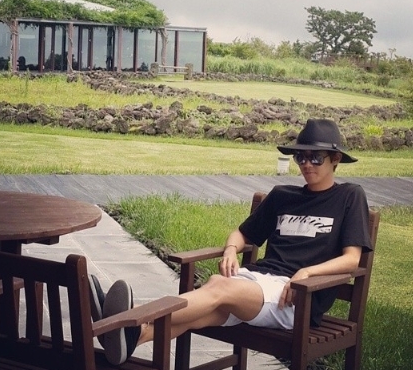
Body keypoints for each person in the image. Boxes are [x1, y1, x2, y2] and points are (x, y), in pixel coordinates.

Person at [89, 118, 373, 365]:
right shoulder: (284, 195)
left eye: (316, 158)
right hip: (256, 284)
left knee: (219, 286)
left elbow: (352, 260)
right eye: (301, 157)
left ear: (335, 159)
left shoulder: (349, 196)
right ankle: (132, 335)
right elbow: (241, 234)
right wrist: (230, 251)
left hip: (295, 298)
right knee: (204, 305)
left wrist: (307, 273)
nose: (307, 165)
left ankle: (124, 319)